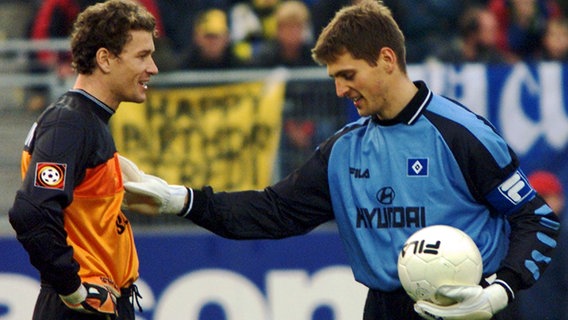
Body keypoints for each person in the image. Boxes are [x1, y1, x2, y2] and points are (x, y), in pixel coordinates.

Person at [120, 1, 560, 319]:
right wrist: (178, 199)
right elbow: (271, 213)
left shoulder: (462, 133)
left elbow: (536, 218)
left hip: (470, 308)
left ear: (387, 60)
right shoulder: (342, 151)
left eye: (347, 75)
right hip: (384, 309)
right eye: (333, 78)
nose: (339, 91)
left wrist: (500, 291)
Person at [8, 0, 159, 319]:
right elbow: (30, 210)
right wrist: (73, 289)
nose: (153, 68)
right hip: (81, 306)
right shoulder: (71, 123)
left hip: (99, 299)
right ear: (105, 59)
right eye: (142, 56)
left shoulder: (85, 121)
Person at [515, 171, 568, 320]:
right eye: (534, 198)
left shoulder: (564, 238)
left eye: (546, 196)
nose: (540, 203)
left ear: (560, 199)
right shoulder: (516, 237)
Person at [431, 5, 509, 64]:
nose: (494, 36)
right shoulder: (449, 58)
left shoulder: (495, 61)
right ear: (473, 33)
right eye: (490, 31)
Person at [252, 0, 317, 68]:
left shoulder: (314, 55)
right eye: (287, 27)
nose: (292, 33)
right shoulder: (265, 56)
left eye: (296, 27)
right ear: (278, 29)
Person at [178, 8, 246, 70]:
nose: (212, 42)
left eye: (216, 36)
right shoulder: (182, 68)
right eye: (208, 36)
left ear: (226, 38)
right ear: (197, 38)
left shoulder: (241, 68)